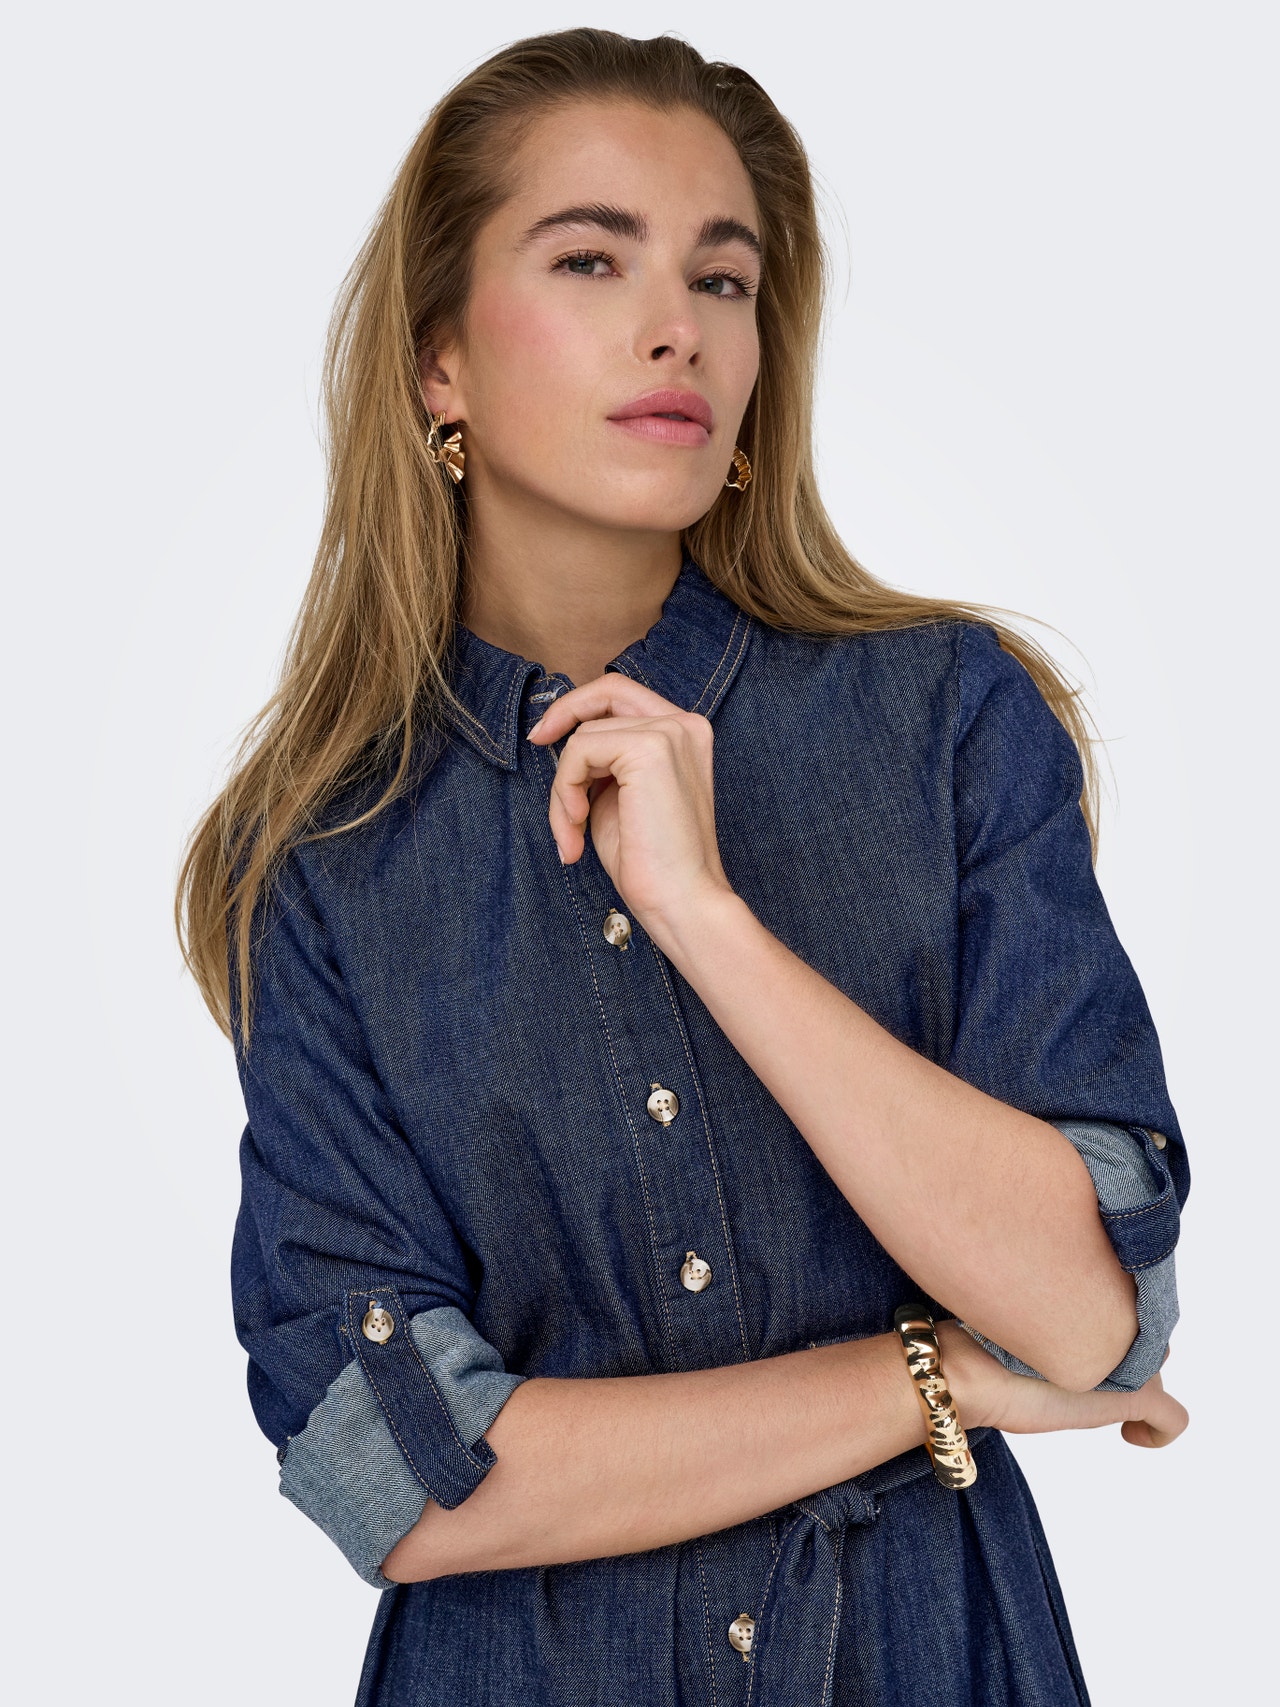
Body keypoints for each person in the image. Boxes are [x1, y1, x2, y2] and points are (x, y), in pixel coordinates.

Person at [177, 27, 1189, 1706]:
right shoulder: (329, 857)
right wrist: (919, 1379)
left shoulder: (944, 716)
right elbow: (399, 1478)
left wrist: (708, 919)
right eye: (591, 259)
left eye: (724, 279)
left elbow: (1090, 1321)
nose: (678, 328)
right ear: (439, 363)